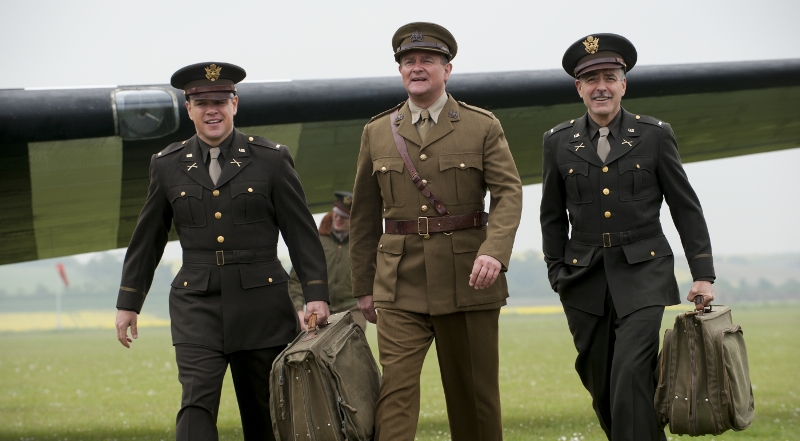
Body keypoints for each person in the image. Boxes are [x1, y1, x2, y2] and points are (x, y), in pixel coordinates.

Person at [113, 62, 330, 441]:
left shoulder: (271, 159)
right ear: (188, 109)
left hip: (262, 306)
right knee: (195, 403)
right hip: (197, 305)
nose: (211, 110)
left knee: (264, 411)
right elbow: (147, 238)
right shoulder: (166, 165)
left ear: (235, 104)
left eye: (220, 101)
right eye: (202, 103)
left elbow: (301, 232)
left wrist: (316, 294)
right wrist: (129, 301)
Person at [350, 22, 523, 441]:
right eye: (408, 61)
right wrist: (364, 286)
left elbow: (508, 193)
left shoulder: (481, 126)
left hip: (468, 278)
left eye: (428, 60)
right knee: (395, 391)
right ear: (400, 72)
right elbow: (364, 215)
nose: (417, 67)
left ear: (448, 69)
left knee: (473, 398)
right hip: (399, 280)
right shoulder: (377, 131)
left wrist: (494, 252)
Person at [540, 34, 716, 441]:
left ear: (623, 84)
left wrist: (702, 273)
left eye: (609, 76)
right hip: (582, 279)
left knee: (631, 374)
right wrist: (556, 272)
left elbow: (685, 207)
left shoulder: (654, 135)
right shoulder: (558, 141)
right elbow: (551, 215)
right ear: (578, 88)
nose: (601, 85)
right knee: (601, 385)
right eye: (591, 79)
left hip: (643, 272)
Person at [289, 191, 366, 330]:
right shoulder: (316, 241)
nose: (338, 218)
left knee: (353, 347)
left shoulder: (363, 245)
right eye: (337, 213)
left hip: (353, 309)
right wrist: (298, 310)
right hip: (320, 309)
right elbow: (296, 279)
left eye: (345, 216)